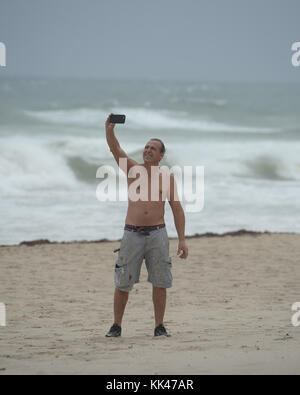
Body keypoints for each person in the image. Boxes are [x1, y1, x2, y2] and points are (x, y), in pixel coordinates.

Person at [105, 113, 188, 337]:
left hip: (157, 234)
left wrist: (182, 238)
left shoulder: (167, 177)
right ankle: (116, 326)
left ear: (161, 155)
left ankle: (159, 326)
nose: (148, 150)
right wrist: (110, 130)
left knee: (160, 281)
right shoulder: (133, 170)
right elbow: (116, 150)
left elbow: (177, 208)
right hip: (132, 234)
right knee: (123, 281)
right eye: (146, 147)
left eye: (153, 148)